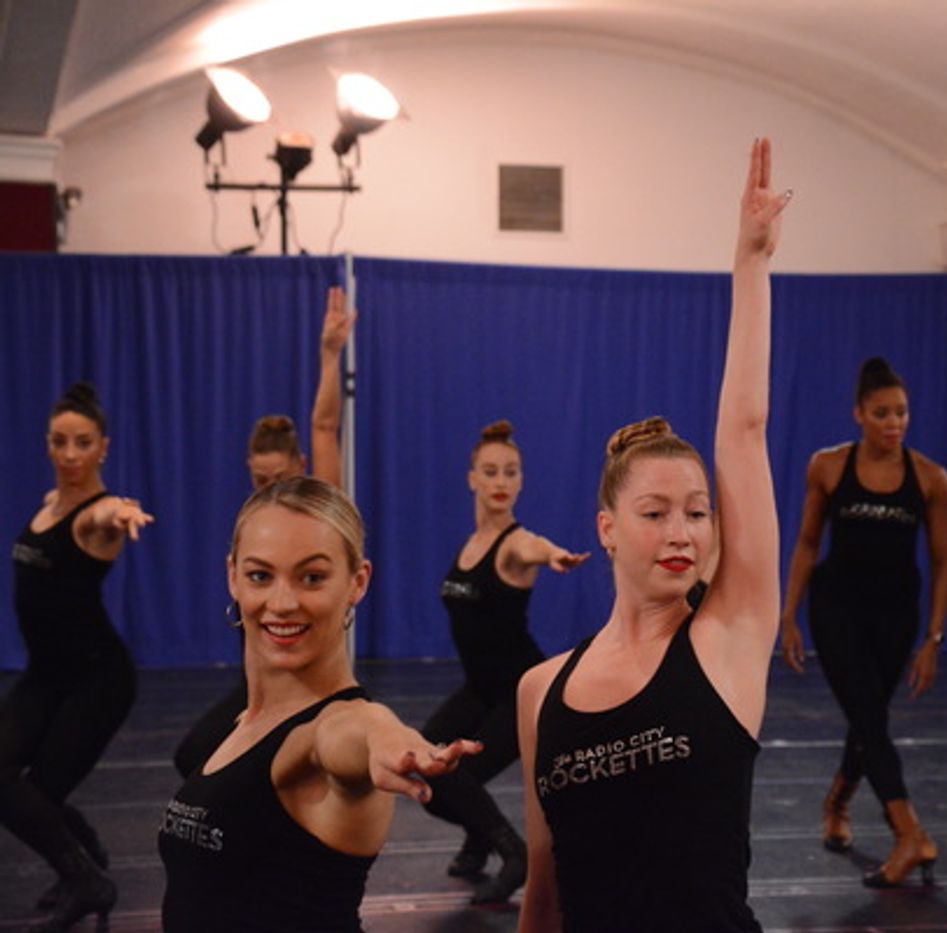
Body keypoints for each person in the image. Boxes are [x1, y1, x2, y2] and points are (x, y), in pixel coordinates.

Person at [515, 138, 787, 932]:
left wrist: (750, 262)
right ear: (606, 529)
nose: (684, 532)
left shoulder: (729, 637)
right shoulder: (541, 694)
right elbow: (544, 884)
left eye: (699, 512)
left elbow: (744, 428)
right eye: (656, 511)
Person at [158, 476, 476, 932]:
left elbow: (355, 731)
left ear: (357, 582)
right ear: (233, 577)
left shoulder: (330, 727)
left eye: (312, 577)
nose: (282, 602)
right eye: (260, 576)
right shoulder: (246, 723)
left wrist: (386, 738)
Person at [777, 356, 947, 886]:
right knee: (871, 719)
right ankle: (910, 833)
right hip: (836, 608)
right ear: (859, 414)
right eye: (882, 413)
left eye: (901, 412)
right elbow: (808, 543)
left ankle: (837, 802)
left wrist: (933, 639)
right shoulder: (828, 467)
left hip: (897, 616)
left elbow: (944, 563)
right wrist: (789, 615)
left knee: (867, 719)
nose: (894, 422)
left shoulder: (930, 478)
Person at [173, 285, 355, 779]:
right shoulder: (258, 529)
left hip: (307, 683)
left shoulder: (321, 507)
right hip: (264, 682)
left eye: (278, 479)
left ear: (300, 466)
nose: (268, 488)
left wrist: (328, 355)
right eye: (259, 480)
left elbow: (324, 424)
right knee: (194, 758)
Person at [1, 382, 154, 931]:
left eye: (82, 443)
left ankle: (85, 877)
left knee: (37, 794)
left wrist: (124, 511)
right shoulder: (49, 504)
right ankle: (86, 862)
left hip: (96, 681)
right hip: (45, 677)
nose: (69, 454)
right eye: (60, 442)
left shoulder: (96, 514)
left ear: (103, 448)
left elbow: (108, 514)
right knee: (11, 786)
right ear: (47, 443)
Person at [423, 420, 587, 904]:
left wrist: (554, 554)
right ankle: (479, 837)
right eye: (490, 472)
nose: (500, 482)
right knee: (426, 765)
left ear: (521, 481)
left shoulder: (516, 544)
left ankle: (514, 854)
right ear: (472, 477)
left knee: (454, 777)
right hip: (479, 688)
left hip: (521, 693)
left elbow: (534, 546)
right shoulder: (470, 545)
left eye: (510, 473)